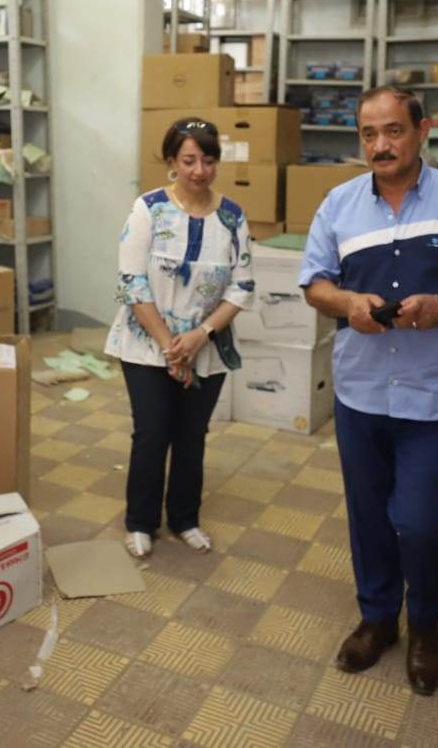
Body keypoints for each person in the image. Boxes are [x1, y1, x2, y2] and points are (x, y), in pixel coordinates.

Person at [298, 86, 438, 696]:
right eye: (369, 134)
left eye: (393, 130)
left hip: (434, 395)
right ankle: (377, 619)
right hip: (361, 392)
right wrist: (348, 302)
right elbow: (315, 284)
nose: (381, 145)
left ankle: (424, 624)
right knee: (369, 516)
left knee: (421, 523)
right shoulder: (339, 205)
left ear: (422, 132)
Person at [105, 118, 255, 560]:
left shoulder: (232, 216)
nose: (199, 170)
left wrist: (199, 336)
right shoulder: (149, 209)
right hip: (146, 344)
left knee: (192, 435)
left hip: (207, 346)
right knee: (152, 433)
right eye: (189, 160)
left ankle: (185, 518)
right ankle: (140, 522)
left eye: (208, 160)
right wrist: (171, 345)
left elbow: (242, 287)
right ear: (172, 161)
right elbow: (132, 283)